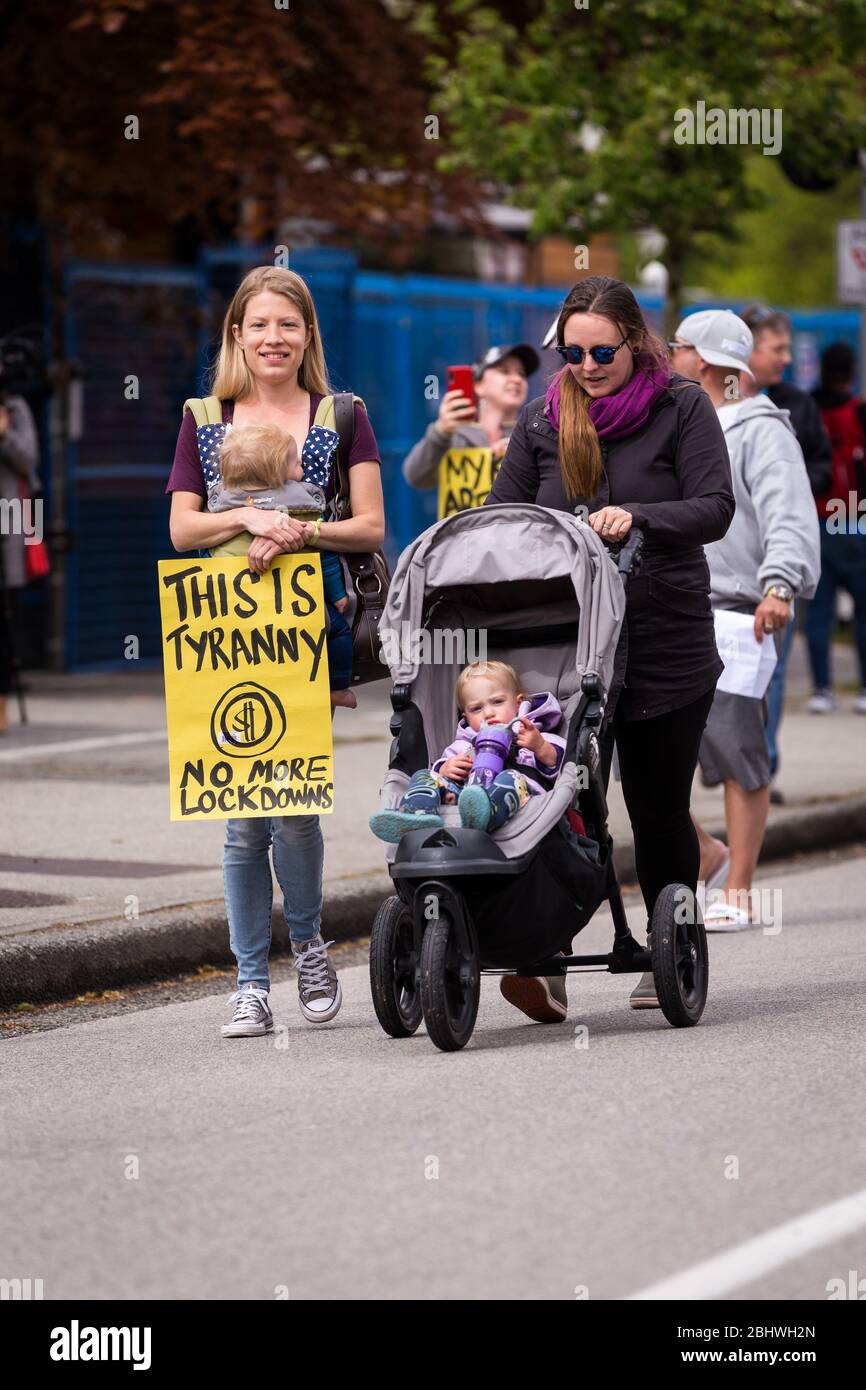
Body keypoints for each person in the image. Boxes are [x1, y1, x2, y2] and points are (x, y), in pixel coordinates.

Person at [487, 275, 735, 1015]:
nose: (588, 366)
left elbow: (714, 507)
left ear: (635, 342)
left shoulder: (681, 407)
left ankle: (670, 948)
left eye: (602, 351)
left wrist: (639, 517)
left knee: (657, 808)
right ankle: (546, 956)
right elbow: (505, 514)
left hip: (664, 635)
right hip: (567, 641)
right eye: (573, 352)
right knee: (559, 797)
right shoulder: (542, 419)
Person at [166, 265, 385, 1037]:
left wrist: (300, 529)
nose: (273, 338)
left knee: (294, 810)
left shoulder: (343, 413)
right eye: (259, 324)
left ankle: (312, 943)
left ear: (307, 335)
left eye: (288, 325)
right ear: (236, 333)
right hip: (224, 639)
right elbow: (183, 529)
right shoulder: (206, 414)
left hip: (303, 633)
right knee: (240, 820)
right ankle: (250, 982)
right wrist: (252, 522)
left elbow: (368, 528)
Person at [669, 310, 820, 929]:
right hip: (675, 606)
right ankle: (705, 851)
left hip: (737, 613)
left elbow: (790, 513)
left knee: (737, 748)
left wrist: (779, 584)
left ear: (703, 360)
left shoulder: (762, 431)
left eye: (676, 347)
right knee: (644, 752)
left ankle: (741, 889)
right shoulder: (682, 421)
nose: (668, 356)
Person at [739, 306, 832, 794]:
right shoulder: (715, 402)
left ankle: (761, 769)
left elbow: (822, 465)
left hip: (773, 565)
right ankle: (726, 765)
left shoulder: (796, 403)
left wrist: (785, 475)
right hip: (723, 567)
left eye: (785, 350)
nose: (784, 360)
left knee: (768, 672)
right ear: (747, 347)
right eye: (776, 349)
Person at [209, 421, 354, 704]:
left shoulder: (221, 507)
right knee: (337, 631)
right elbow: (324, 560)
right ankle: (336, 688)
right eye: (295, 461)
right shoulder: (302, 508)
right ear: (278, 474)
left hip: (236, 611)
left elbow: (208, 555)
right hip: (298, 610)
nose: (301, 465)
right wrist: (337, 595)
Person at [369, 659, 565, 841]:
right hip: (464, 798)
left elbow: (560, 765)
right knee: (424, 775)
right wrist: (445, 769)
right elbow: (442, 768)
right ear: (466, 715)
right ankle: (416, 815)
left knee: (511, 778)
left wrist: (539, 747)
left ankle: (488, 814)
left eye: (497, 702)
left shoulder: (533, 735)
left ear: (518, 702)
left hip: (521, 797)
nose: (488, 713)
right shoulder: (464, 745)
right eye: (476, 709)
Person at [807, 342, 866, 714]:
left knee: (819, 611)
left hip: (815, 518)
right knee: (864, 610)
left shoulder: (807, 408)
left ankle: (822, 690)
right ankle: (863, 690)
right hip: (855, 516)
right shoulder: (859, 411)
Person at [402, 343, 540, 491]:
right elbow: (416, 477)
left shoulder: (535, 434)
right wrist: (441, 431)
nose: (517, 379)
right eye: (504, 371)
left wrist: (520, 455)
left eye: (522, 373)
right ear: (478, 385)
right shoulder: (454, 435)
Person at [0, 392, 40, 734]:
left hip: (8, 524)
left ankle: (2, 704)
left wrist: (4, 432)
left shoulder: (14, 407)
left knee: (4, 615)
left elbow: (29, 459)